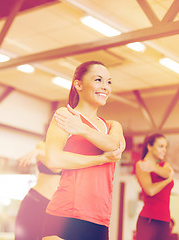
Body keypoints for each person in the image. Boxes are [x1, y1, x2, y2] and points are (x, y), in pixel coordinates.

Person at [40, 60, 125, 240]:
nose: (105, 87)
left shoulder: (111, 126)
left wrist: (82, 129)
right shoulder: (65, 116)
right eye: (98, 80)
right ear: (78, 84)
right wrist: (100, 159)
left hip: (99, 219)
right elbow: (54, 160)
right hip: (65, 215)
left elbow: (114, 146)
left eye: (109, 82)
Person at [14, 141, 61, 240]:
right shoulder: (42, 146)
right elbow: (56, 166)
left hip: (54, 206)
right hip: (36, 200)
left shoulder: (73, 153)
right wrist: (39, 152)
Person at [135, 133, 174, 240]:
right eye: (161, 146)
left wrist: (152, 167)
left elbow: (167, 173)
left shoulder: (164, 165)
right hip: (149, 220)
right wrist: (168, 181)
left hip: (165, 221)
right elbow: (150, 190)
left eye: (165, 147)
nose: (164, 150)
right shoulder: (140, 164)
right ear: (149, 146)